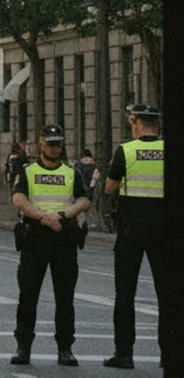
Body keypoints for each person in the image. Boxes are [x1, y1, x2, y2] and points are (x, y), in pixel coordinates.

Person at [8, 123, 90, 367]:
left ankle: (65, 349)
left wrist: (61, 216)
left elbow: (84, 200)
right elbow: (18, 198)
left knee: (65, 297)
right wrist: (43, 215)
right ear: (40, 143)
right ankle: (23, 347)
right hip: (35, 236)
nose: (55, 148)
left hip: (64, 238)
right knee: (28, 296)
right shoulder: (27, 170)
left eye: (58, 143)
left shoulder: (71, 172)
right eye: (50, 143)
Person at [103, 104, 164, 369]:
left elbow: (110, 187)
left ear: (134, 122)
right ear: (157, 125)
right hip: (164, 229)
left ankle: (124, 353)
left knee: (125, 292)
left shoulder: (126, 150)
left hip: (131, 228)